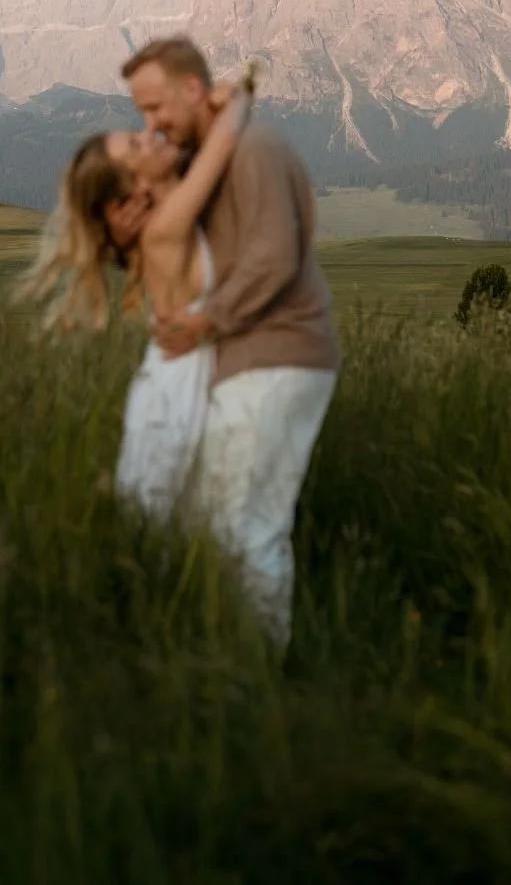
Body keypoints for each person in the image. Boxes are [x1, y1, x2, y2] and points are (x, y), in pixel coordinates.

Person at [114, 36, 340, 649]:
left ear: (192, 90)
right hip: (249, 361)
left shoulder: (255, 149)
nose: (151, 125)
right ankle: (223, 656)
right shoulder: (220, 151)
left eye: (155, 108)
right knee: (220, 519)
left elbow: (274, 255)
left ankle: (259, 682)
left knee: (248, 526)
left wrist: (205, 320)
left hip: (277, 356)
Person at [16, 69, 256, 519]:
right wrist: (239, 94)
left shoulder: (164, 217)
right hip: (184, 386)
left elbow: (196, 154)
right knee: (182, 516)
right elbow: (222, 142)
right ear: (126, 195)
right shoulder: (166, 229)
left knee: (184, 516)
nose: (147, 137)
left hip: (190, 374)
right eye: (134, 147)